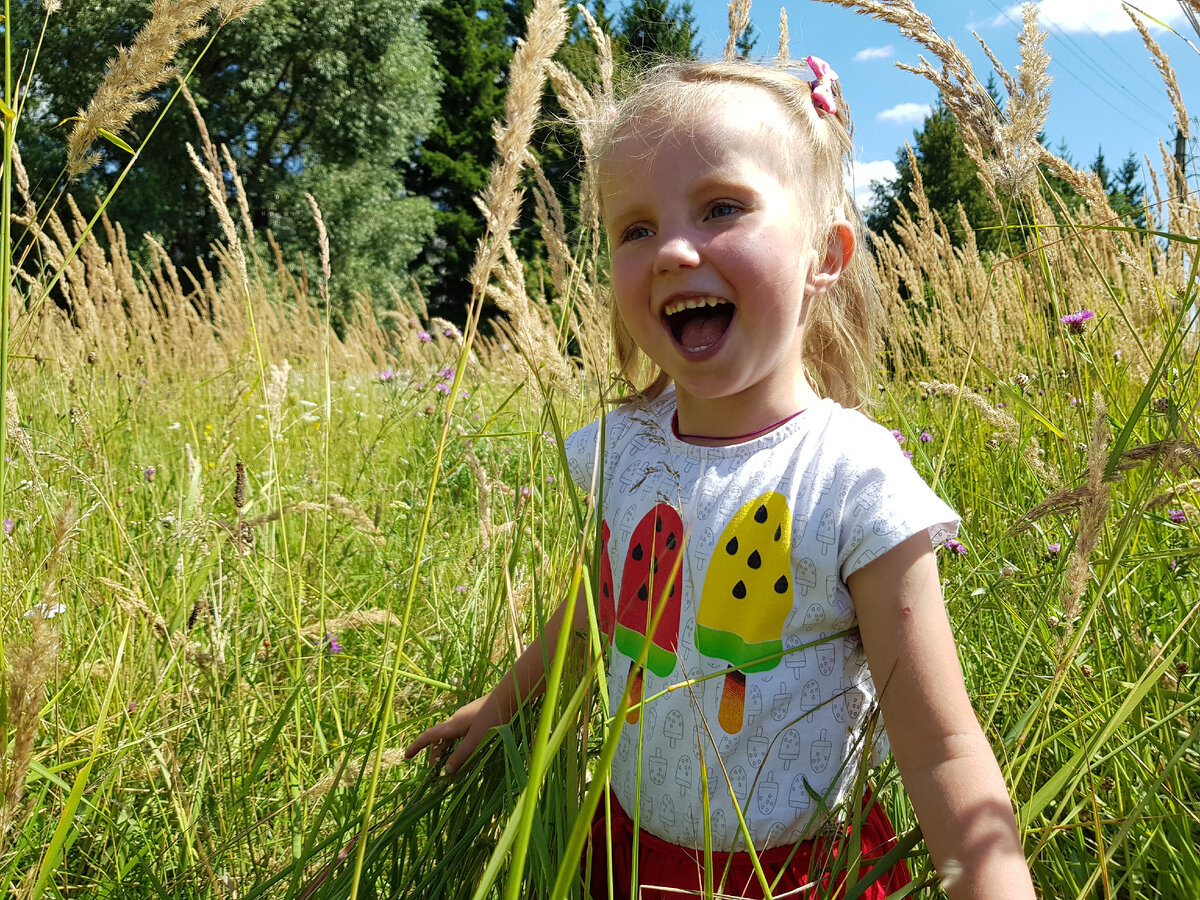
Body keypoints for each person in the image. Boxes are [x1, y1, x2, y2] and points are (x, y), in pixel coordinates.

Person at [405, 57, 1036, 900]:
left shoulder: (854, 479)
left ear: (826, 253)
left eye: (722, 208)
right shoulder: (625, 447)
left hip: (799, 874)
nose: (670, 249)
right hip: (626, 851)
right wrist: (502, 708)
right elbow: (600, 609)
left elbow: (940, 748)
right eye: (634, 228)